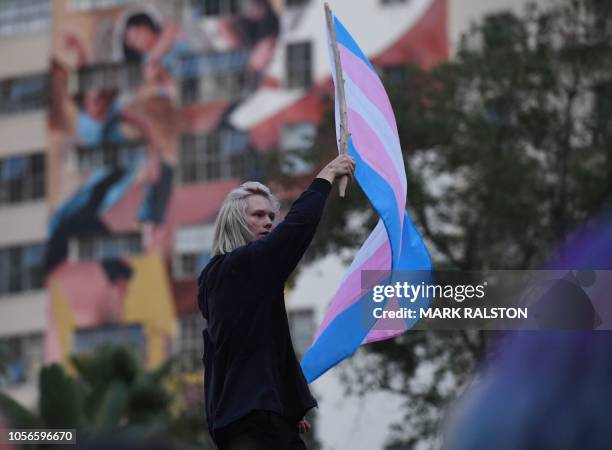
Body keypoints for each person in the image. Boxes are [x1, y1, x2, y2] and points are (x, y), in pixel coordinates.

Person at [198, 154, 355, 450]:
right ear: (234, 221)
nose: (269, 222)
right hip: (254, 426)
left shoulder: (232, 280)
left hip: (259, 420)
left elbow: (261, 347)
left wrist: (284, 402)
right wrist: (326, 177)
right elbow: (295, 230)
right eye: (258, 215)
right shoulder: (238, 267)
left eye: (271, 216)